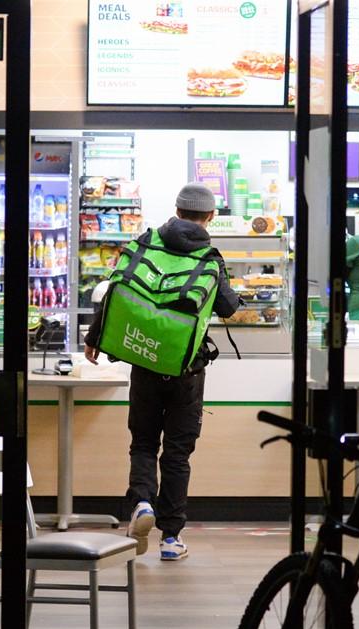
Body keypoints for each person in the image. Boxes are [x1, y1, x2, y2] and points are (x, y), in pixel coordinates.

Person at [83, 183, 240, 561]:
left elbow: (116, 288)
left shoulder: (147, 242)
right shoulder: (208, 256)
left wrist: (95, 337)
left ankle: (141, 504)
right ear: (211, 217)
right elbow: (229, 307)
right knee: (177, 453)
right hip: (186, 370)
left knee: (143, 443)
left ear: (176, 209)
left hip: (144, 361)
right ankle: (171, 538)